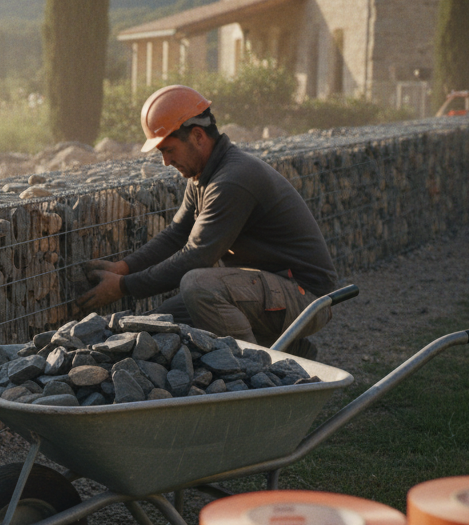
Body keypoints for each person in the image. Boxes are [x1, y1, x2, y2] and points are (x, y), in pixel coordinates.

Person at [77, 85, 338, 358]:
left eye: (169, 150)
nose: (165, 161)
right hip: (270, 289)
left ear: (198, 136)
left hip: (307, 299)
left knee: (198, 285)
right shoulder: (204, 175)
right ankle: (292, 350)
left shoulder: (232, 179)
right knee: (158, 323)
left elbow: (197, 256)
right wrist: (123, 268)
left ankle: (254, 369)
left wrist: (123, 287)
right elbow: (177, 234)